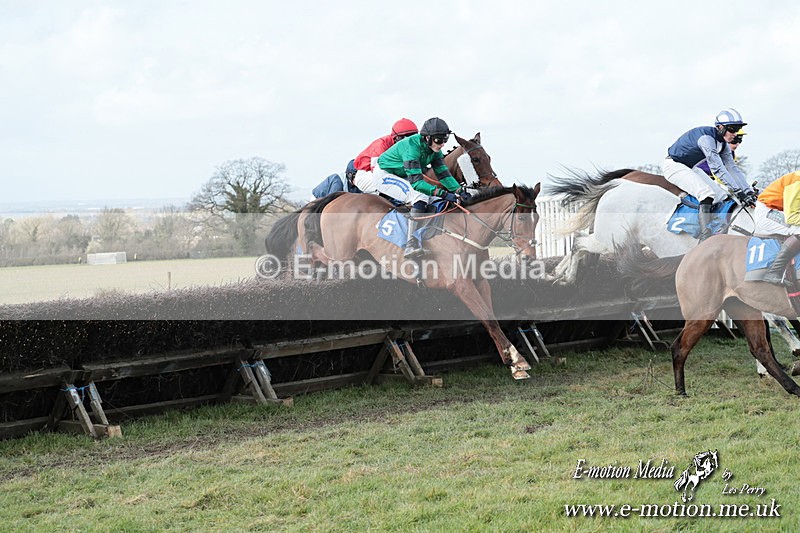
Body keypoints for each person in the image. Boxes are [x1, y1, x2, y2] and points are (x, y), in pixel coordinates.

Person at [374, 117, 468, 257]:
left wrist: (459, 190)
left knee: (431, 198)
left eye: (445, 140)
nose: (442, 144)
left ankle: (423, 235)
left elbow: (444, 175)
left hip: (402, 173)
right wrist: (444, 194)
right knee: (419, 196)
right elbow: (417, 183)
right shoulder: (411, 148)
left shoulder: (435, 150)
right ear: (427, 138)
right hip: (385, 174)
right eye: (438, 140)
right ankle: (411, 244)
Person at [663, 108, 754, 240]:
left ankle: (716, 228)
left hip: (690, 167)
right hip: (673, 166)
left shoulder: (723, 144)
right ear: (721, 127)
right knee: (706, 194)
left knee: (722, 196)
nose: (735, 134)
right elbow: (718, 169)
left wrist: (748, 192)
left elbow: (732, 169)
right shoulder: (707, 139)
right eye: (733, 129)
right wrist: (739, 192)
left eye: (738, 129)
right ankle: (705, 237)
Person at [753, 170, 800, 287]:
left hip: (780, 210)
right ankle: (774, 271)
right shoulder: (797, 182)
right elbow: (791, 217)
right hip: (767, 212)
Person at [352, 118, 418, 194]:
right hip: (367, 174)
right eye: (405, 138)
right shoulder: (381, 145)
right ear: (396, 138)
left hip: (387, 172)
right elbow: (377, 172)